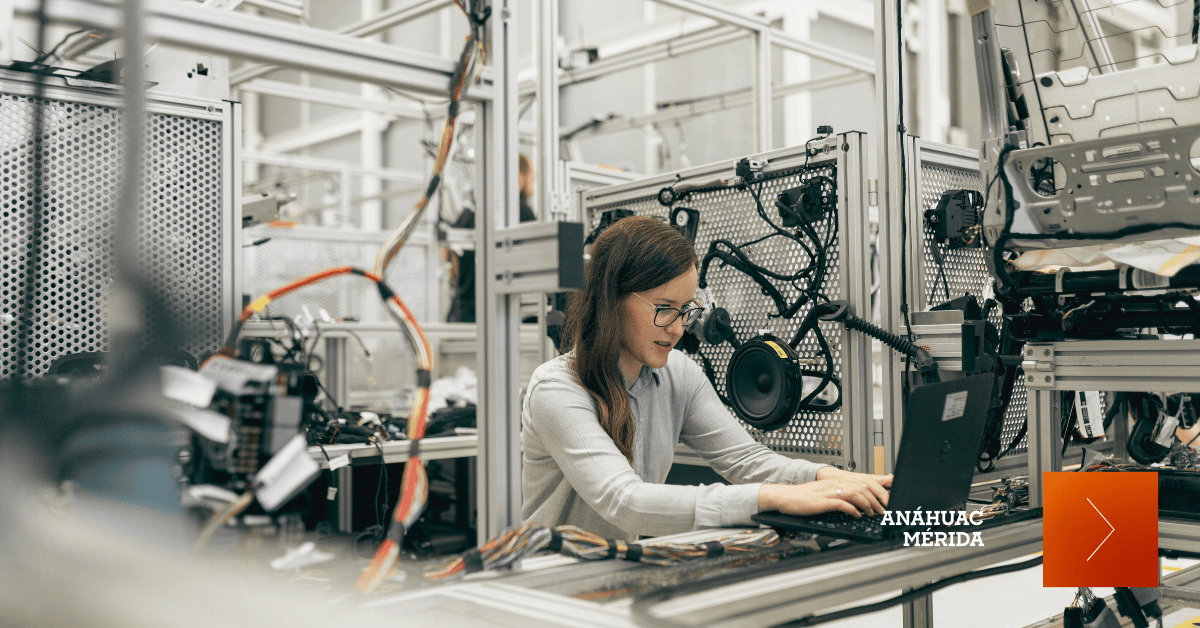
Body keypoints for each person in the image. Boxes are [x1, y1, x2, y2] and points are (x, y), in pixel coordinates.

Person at [521, 215, 892, 540]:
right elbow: (625, 501)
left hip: (617, 574)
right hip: (552, 590)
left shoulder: (678, 374)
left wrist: (829, 478)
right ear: (611, 299)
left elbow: (747, 460)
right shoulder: (557, 390)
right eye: (664, 309)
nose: (679, 328)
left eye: (685, 310)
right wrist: (773, 498)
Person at [447, 154, 537, 323]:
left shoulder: (469, 214)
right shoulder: (521, 211)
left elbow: (450, 260)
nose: (532, 185)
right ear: (519, 178)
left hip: (463, 311)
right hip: (500, 314)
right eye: (531, 178)